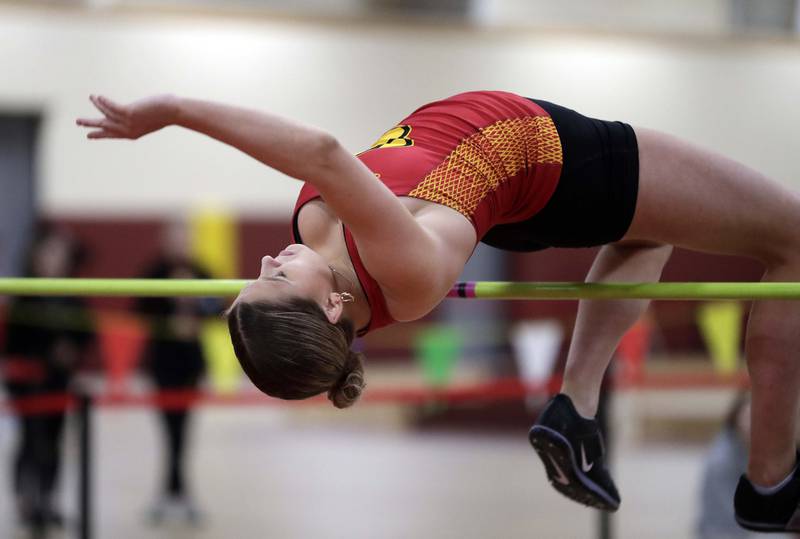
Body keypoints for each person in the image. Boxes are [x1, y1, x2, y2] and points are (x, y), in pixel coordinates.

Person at [78, 90, 800, 533]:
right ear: (333, 306)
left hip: (510, 188)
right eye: (274, 277)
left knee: (650, 228)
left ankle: (575, 404)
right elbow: (324, 152)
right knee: (793, 240)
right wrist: (170, 112)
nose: (265, 260)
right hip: (551, 156)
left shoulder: (321, 248)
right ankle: (770, 482)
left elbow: (332, 183)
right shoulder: (401, 269)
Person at [1, 224, 95, 534]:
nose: (54, 259)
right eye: (48, 253)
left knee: (54, 443)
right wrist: (46, 352)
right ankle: (28, 500)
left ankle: (49, 500)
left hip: (58, 381)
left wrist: (71, 351)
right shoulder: (24, 294)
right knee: (31, 440)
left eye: (59, 254)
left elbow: (86, 332)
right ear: (36, 256)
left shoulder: (72, 293)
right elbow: (14, 340)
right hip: (28, 382)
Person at [135, 221, 216, 525]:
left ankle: (177, 493)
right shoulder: (153, 272)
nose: (180, 243)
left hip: (191, 364)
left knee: (184, 430)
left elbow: (217, 308)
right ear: (164, 240)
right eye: (175, 238)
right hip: (161, 363)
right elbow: (138, 312)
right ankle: (173, 493)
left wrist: (196, 311)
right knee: (169, 431)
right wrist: (168, 316)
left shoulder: (202, 270)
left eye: (185, 237)